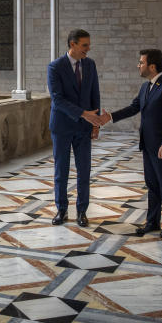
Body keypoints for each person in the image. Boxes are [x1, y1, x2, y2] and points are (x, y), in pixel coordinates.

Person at [103, 49, 162, 238]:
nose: (138, 65)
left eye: (141, 62)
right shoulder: (145, 87)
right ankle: (153, 222)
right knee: (152, 184)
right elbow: (134, 108)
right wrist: (110, 117)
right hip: (148, 145)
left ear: (152, 66)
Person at [47, 29, 104, 227]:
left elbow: (95, 93)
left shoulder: (90, 64)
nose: (88, 49)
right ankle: (61, 210)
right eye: (84, 45)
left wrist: (95, 122)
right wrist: (83, 113)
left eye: (88, 45)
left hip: (84, 127)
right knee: (61, 170)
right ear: (72, 44)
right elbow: (57, 99)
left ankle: (82, 211)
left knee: (84, 171)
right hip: (62, 126)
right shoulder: (55, 66)